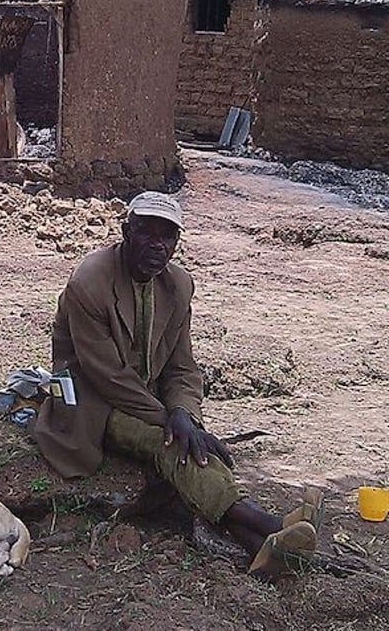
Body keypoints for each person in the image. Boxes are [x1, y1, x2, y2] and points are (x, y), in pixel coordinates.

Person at [32, 190, 322, 576]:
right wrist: (171, 419)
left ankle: (259, 547)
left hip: (142, 396)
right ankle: (268, 524)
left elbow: (182, 368)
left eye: (167, 236)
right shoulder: (90, 282)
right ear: (125, 231)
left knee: (186, 438)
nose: (157, 244)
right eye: (146, 232)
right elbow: (106, 374)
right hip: (90, 399)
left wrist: (185, 412)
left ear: (176, 243)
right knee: (170, 441)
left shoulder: (178, 286)